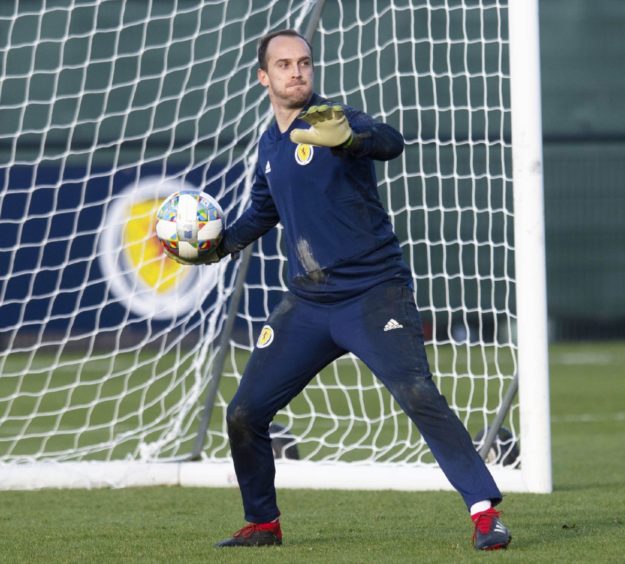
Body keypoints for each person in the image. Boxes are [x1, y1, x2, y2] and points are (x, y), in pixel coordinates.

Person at [170, 29, 511, 551]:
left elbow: (390, 142)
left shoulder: (334, 120)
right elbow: (263, 212)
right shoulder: (270, 145)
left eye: (304, 62)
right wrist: (213, 248)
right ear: (264, 77)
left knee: (418, 393)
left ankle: (485, 513)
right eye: (283, 65)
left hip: (373, 293)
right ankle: (263, 524)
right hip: (308, 303)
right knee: (244, 413)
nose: (296, 72)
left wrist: (351, 139)